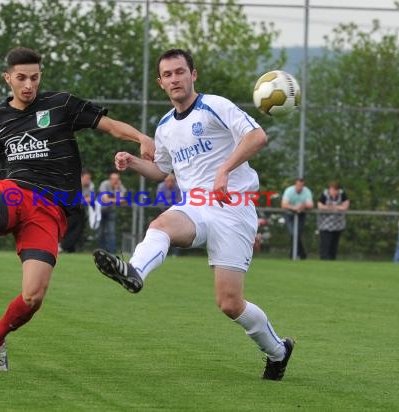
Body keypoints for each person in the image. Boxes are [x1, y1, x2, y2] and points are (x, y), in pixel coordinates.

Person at [0, 47, 154, 371]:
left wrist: (141, 136)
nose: (29, 85)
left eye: (35, 78)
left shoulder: (62, 104)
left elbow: (110, 126)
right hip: (13, 192)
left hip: (49, 209)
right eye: (21, 78)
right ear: (8, 78)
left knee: (33, 297)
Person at [92, 49, 294, 381]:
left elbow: (257, 136)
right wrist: (133, 162)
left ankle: (278, 352)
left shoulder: (216, 105)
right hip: (196, 207)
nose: (175, 79)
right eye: (168, 75)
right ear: (161, 83)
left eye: (180, 72)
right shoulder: (165, 126)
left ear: (193, 75)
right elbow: (161, 172)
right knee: (161, 224)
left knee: (229, 303)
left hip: (234, 209)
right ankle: (135, 271)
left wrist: (225, 170)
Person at [59, 169, 95, 253]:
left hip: (80, 210)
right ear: (81, 177)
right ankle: (63, 246)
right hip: (70, 209)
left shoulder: (90, 185)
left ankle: (68, 248)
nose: (88, 181)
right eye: (87, 178)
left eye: (89, 179)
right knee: (68, 229)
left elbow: (91, 199)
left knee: (78, 230)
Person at [281, 178, 313, 259]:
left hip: (301, 215)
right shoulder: (289, 191)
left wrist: (302, 206)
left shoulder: (306, 191)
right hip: (289, 214)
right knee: (293, 234)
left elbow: (310, 205)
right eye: (298, 185)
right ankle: (301, 255)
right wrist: (294, 208)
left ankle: (295, 255)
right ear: (295, 185)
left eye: (301, 185)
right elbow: (284, 204)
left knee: (297, 234)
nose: (300, 187)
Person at [317, 181, 350, 260]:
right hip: (325, 224)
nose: (333, 192)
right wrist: (332, 208)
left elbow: (345, 206)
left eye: (335, 190)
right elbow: (320, 206)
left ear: (338, 190)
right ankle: (324, 259)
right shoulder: (324, 194)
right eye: (331, 190)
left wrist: (334, 207)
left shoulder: (342, 194)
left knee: (334, 243)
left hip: (338, 223)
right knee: (326, 243)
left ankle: (332, 259)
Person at [97, 172, 127, 253]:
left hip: (111, 210)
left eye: (117, 180)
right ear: (110, 179)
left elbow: (123, 200)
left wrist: (117, 189)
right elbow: (105, 200)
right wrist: (117, 200)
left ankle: (112, 252)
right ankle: (101, 251)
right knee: (100, 232)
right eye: (113, 179)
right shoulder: (104, 184)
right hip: (101, 210)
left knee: (112, 232)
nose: (115, 181)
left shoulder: (120, 186)